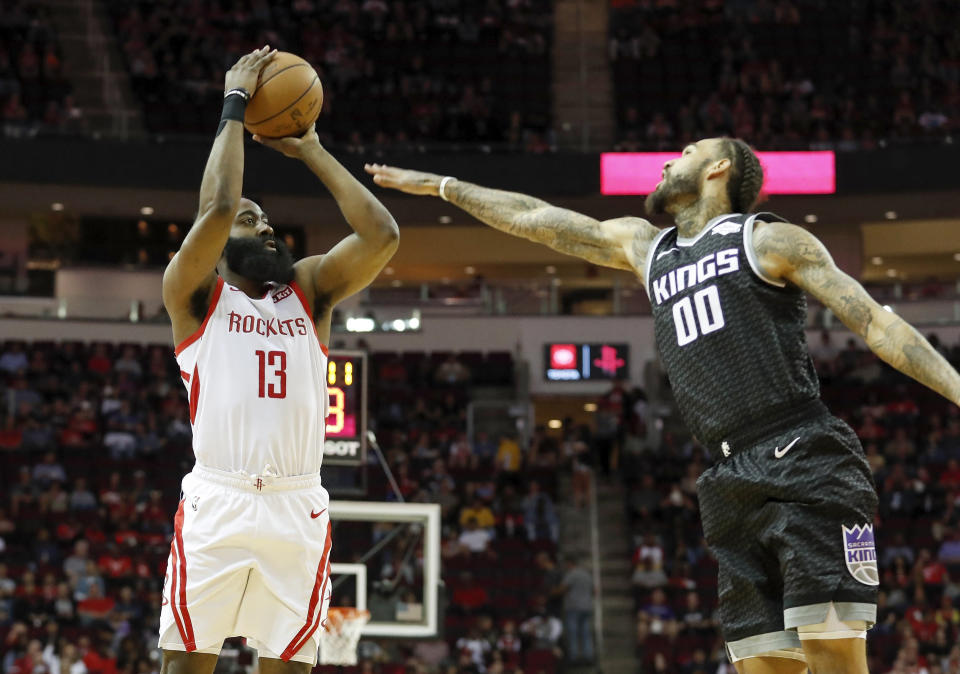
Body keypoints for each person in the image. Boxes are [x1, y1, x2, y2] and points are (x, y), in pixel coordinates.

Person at [366, 137, 960, 673]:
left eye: (686, 150)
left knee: (833, 656)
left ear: (719, 168)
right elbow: (535, 219)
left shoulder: (768, 239)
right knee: (765, 665)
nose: (668, 159)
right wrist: (441, 186)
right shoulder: (648, 247)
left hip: (803, 455)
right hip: (728, 477)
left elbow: (877, 324)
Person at [158, 47, 398, 673]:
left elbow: (382, 236)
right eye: (249, 220)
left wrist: (311, 149)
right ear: (216, 248)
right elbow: (215, 208)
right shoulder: (194, 296)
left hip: (297, 506)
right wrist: (234, 106)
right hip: (219, 498)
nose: (263, 226)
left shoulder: (309, 292)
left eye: (266, 218)